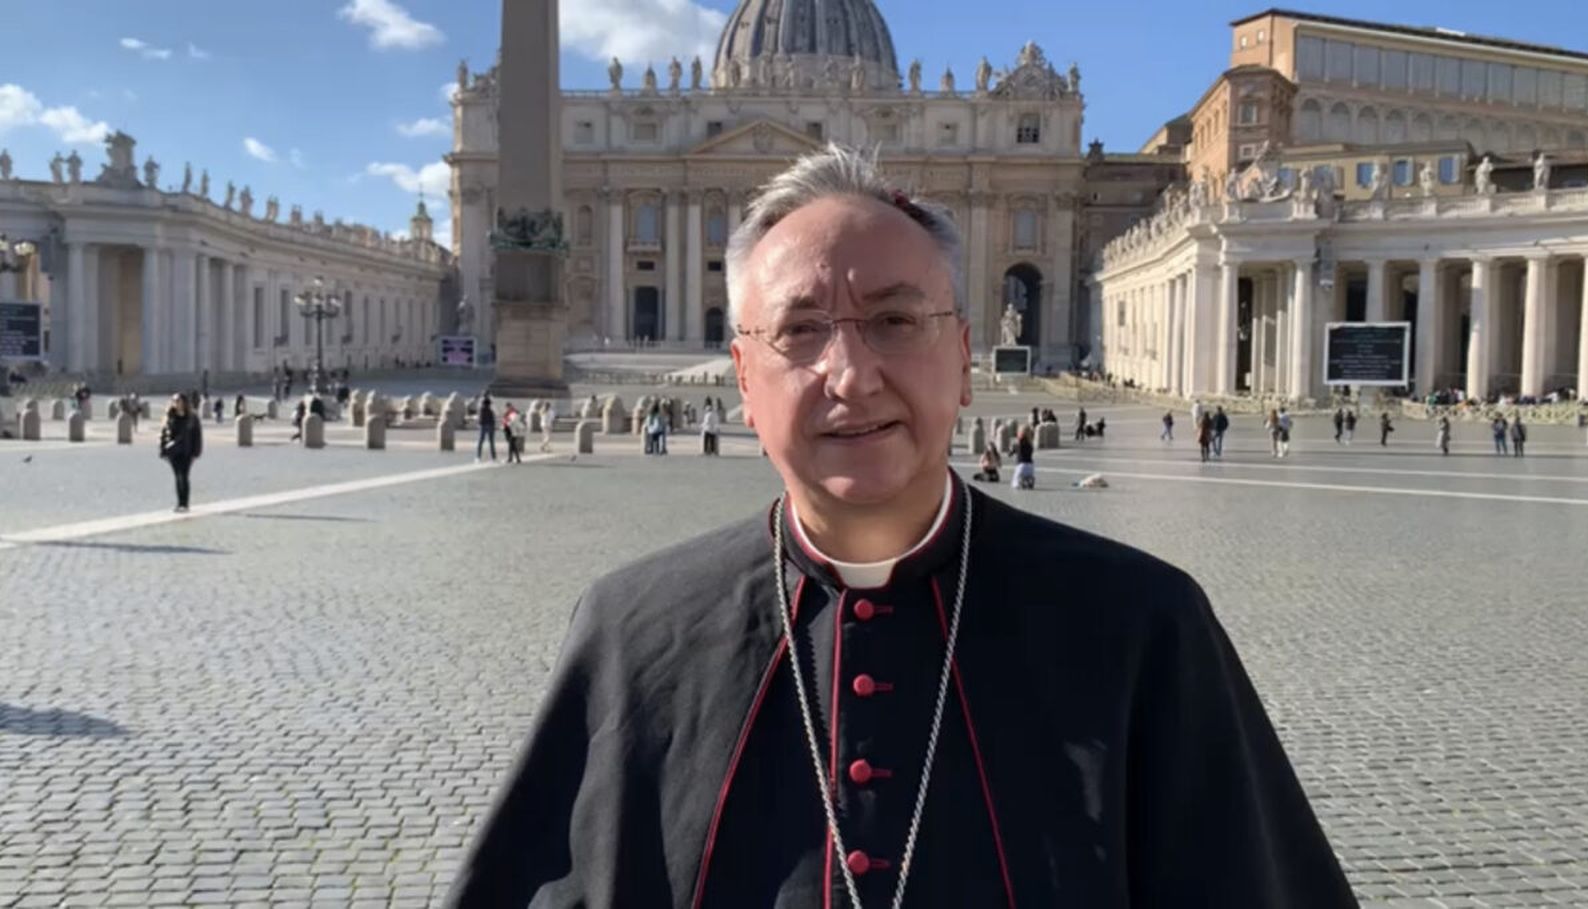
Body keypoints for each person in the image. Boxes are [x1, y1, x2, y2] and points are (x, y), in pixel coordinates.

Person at [448, 145, 1357, 908]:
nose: (850, 373)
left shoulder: (1146, 627)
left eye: (894, 319)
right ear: (743, 383)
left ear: (964, 359)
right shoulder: (629, 633)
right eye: (800, 331)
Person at [157, 394, 203, 513]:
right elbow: (163, 435)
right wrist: (162, 450)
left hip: (187, 451)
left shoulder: (192, 418)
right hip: (174, 452)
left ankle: (185, 503)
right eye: (175, 401)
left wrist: (196, 453)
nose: (177, 404)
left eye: (179, 401)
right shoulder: (169, 417)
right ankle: (180, 503)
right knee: (178, 476)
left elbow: (197, 436)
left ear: (184, 403)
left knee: (184, 476)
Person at [1011, 424, 1035, 489]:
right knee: (1027, 476)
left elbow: (1013, 451)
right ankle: (1029, 481)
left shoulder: (1019, 443)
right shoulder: (1030, 443)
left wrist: (1011, 452)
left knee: (1015, 481)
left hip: (1021, 465)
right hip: (1030, 465)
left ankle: (1021, 482)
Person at [476, 394, 498, 462]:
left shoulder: (481, 409)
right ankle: (494, 457)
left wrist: (479, 424)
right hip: (491, 425)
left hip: (483, 426)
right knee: (491, 442)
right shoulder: (491, 409)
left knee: (480, 442)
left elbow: (480, 418)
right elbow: (495, 415)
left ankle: (478, 457)